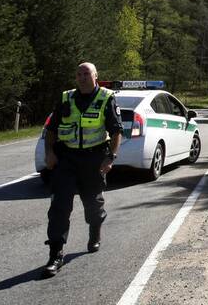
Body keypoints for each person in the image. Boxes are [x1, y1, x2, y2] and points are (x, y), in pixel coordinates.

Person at [42, 62, 122, 277]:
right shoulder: (65, 98)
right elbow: (50, 130)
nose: (82, 77)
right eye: (79, 74)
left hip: (93, 159)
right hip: (67, 159)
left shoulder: (106, 98)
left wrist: (110, 157)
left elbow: (116, 132)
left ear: (96, 76)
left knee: (93, 205)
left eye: (86, 73)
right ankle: (55, 253)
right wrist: (49, 152)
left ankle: (95, 230)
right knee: (59, 206)